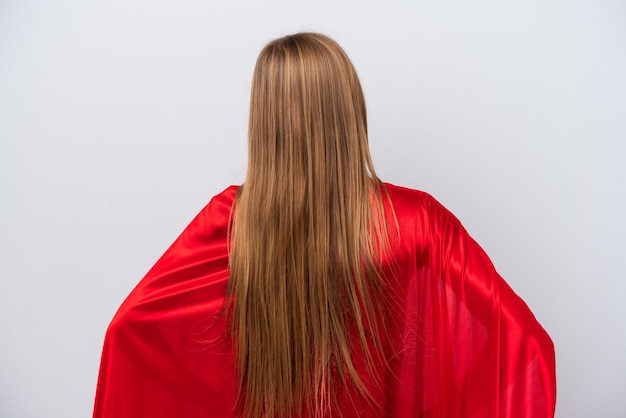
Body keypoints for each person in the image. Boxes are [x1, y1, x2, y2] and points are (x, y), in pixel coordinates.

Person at [93, 33, 556, 418]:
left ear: (265, 122)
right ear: (349, 112)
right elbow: (525, 345)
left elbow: (128, 332)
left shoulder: (230, 224)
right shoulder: (415, 222)